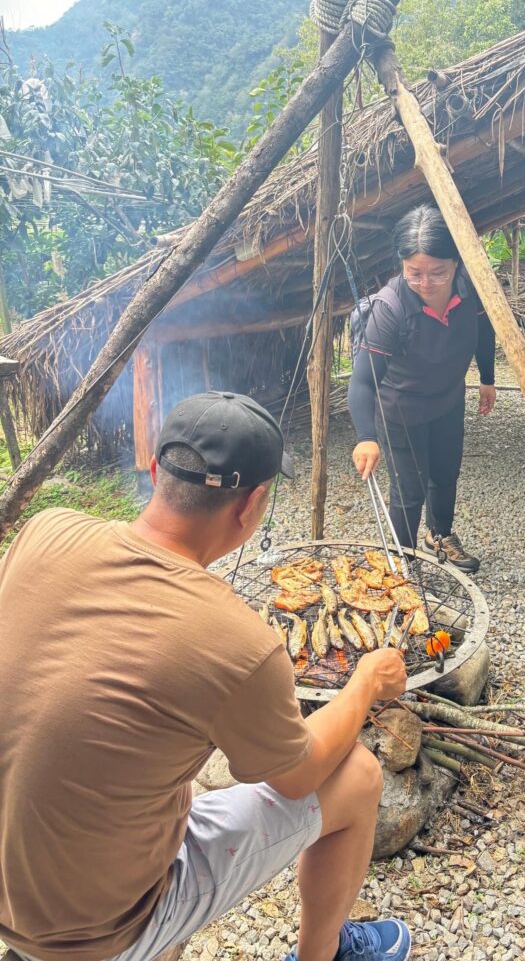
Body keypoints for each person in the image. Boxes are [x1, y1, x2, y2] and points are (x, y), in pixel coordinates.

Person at [0, 391, 409, 961]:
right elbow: (300, 776)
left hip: (16, 887)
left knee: (169, 778)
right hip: (94, 933)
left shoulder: (46, 530)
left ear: (154, 470)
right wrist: (364, 681)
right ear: (252, 505)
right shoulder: (237, 643)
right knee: (359, 774)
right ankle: (323, 954)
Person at [348, 204, 496, 573]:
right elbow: (363, 381)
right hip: (401, 409)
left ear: (455, 264)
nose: (426, 283)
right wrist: (366, 436)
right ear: (401, 265)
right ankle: (403, 560)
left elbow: (485, 332)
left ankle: (440, 534)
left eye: (437, 272)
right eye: (414, 273)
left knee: (445, 474)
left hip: (448, 399)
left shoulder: (468, 289)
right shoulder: (390, 308)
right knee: (409, 490)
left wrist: (487, 378)